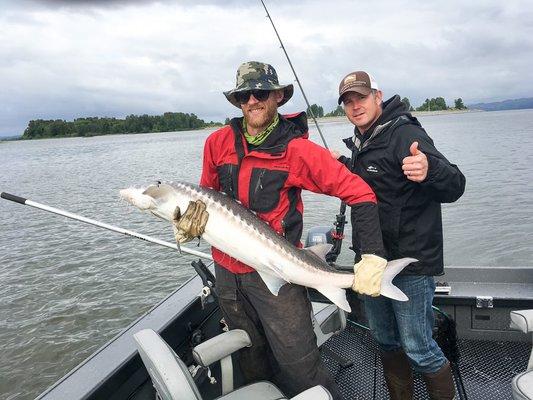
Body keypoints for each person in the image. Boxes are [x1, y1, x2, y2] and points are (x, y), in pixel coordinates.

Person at [195, 61, 391, 399]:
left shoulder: (297, 150)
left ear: (277, 97)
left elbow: (361, 193)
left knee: (299, 364)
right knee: (250, 356)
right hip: (227, 273)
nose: (251, 101)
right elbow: (205, 197)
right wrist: (189, 224)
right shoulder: (217, 142)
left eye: (260, 93)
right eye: (244, 95)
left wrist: (372, 255)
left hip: (279, 274)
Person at [333, 71, 466, 399]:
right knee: (386, 340)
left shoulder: (405, 132)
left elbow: (455, 185)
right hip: (372, 262)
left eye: (361, 98)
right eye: (348, 102)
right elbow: (376, 186)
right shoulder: (363, 140)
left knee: (418, 347)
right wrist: (344, 166)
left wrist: (429, 170)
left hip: (410, 264)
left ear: (378, 97)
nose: (355, 106)